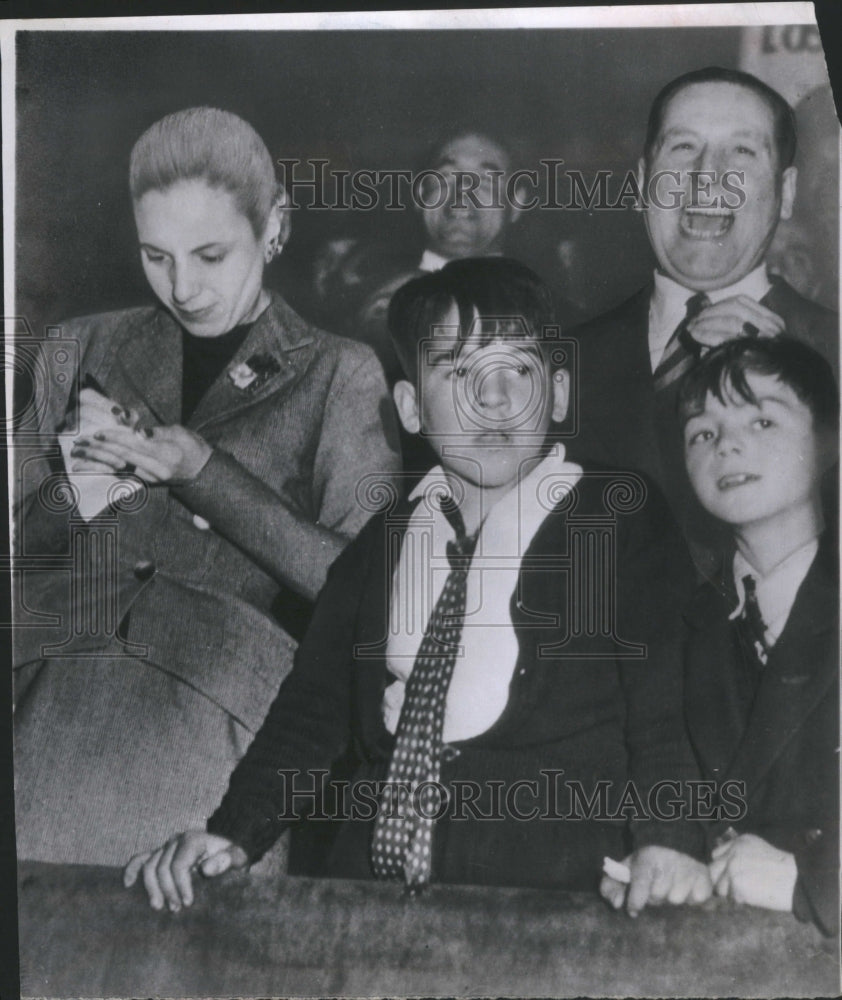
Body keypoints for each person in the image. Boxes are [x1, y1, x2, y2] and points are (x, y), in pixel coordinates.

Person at [126, 257, 708, 912]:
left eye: (519, 367)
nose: (492, 399)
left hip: (552, 889)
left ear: (562, 393)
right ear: (409, 408)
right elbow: (311, 714)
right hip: (372, 887)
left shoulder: (617, 515)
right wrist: (231, 832)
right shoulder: (385, 541)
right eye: (458, 370)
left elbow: (671, 692)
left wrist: (672, 836)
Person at [12, 107, 400, 866]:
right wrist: (81, 479)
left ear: (276, 226)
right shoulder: (78, 344)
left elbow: (367, 589)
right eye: (156, 256)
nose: (182, 288)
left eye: (211, 255)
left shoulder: (340, 373)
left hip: (221, 735)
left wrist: (202, 475)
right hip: (53, 713)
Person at [569, 67, 837, 571]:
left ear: (788, 193)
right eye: (683, 147)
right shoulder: (558, 364)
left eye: (742, 151)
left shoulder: (834, 351)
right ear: (644, 182)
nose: (707, 175)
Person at [624, 337, 837, 936]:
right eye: (702, 434)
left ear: (829, 441)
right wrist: (672, 860)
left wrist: (811, 879)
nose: (728, 445)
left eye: (763, 418)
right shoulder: (680, 625)